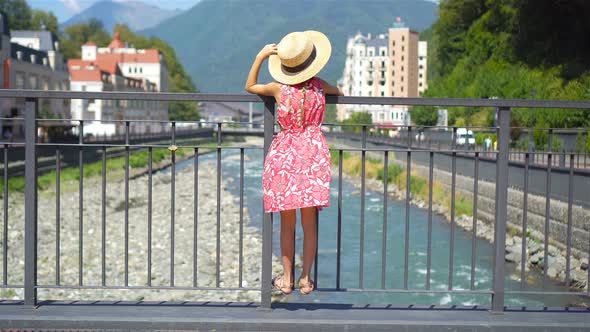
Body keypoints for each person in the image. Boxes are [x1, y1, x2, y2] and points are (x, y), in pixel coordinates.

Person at [245, 31, 343, 295]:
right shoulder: (320, 86)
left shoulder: (278, 88)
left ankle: (286, 279)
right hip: (312, 156)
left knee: (286, 225)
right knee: (309, 224)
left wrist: (260, 56)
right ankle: (306, 279)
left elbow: (250, 86)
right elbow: (340, 91)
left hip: (285, 156)